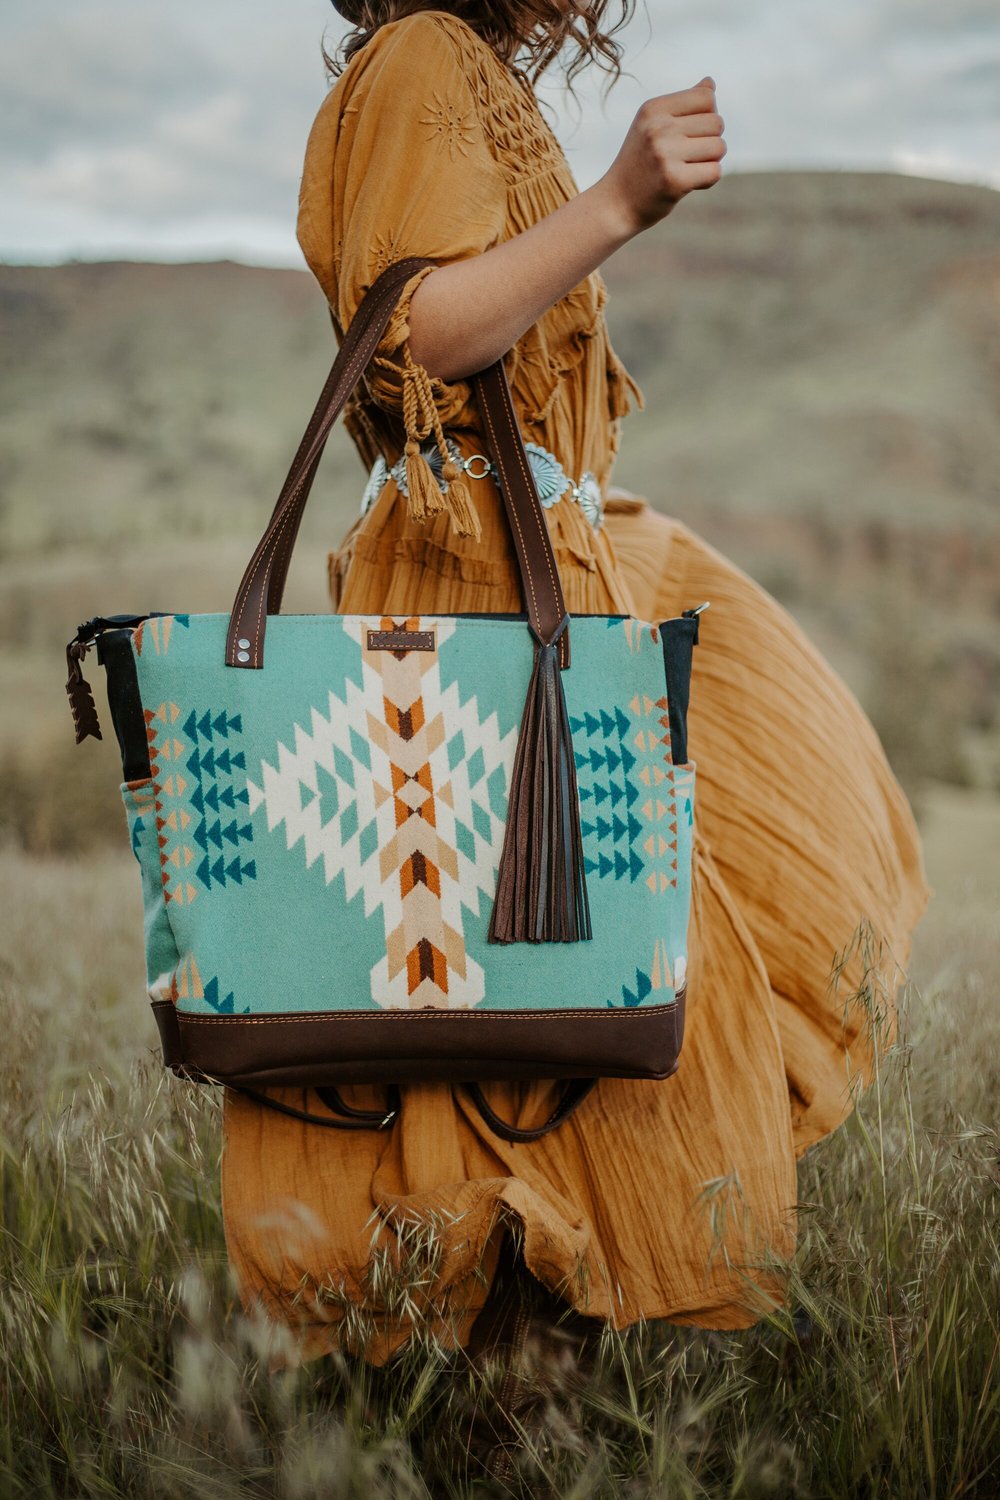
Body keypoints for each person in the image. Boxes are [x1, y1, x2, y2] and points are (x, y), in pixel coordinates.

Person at [220, 0, 928, 1407]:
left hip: (539, 568)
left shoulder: (478, 74)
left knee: (568, 1006)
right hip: (476, 593)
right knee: (524, 1015)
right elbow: (422, 334)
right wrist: (617, 201)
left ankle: (528, 1409)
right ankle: (505, 1418)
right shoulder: (422, 56)